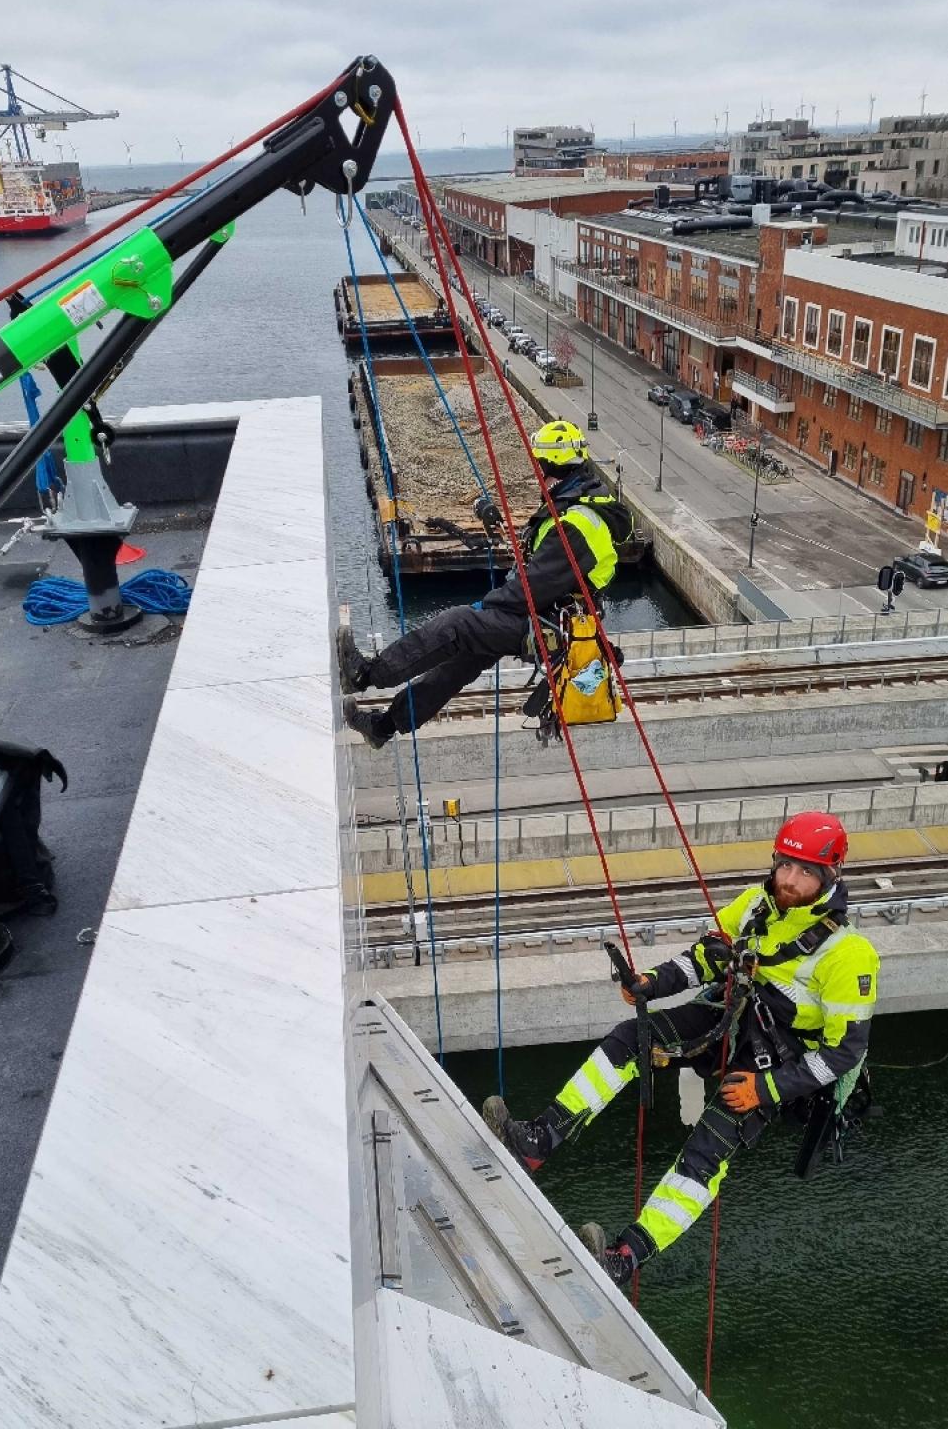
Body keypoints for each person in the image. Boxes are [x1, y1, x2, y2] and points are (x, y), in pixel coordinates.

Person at [483, 812, 878, 1286]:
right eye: (785, 866)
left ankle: (624, 1257)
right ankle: (537, 1141)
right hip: (734, 1019)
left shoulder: (849, 954)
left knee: (705, 1152)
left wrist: (764, 1089)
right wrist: (652, 982)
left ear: (830, 876)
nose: (790, 881)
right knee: (633, 1038)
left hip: (780, 1060)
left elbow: (843, 1054)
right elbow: (704, 958)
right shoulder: (757, 904)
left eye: (806, 872)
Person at [339, 420, 634, 748]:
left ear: (550, 467)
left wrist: (485, 608)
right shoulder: (577, 509)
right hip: (549, 621)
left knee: (458, 624)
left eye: (539, 465)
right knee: (461, 663)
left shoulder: (576, 525)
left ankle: (366, 674)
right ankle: (383, 727)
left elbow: (529, 590)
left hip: (545, 626)